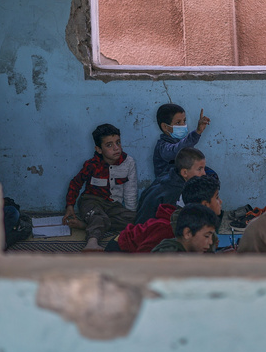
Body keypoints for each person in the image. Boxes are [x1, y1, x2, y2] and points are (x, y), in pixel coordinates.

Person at [63, 123, 138, 252]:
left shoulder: (128, 163)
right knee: (98, 216)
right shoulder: (91, 165)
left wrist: (131, 212)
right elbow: (75, 183)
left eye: (118, 142)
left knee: (135, 220)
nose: (116, 148)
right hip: (91, 201)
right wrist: (70, 205)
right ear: (98, 149)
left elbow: (131, 191)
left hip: (114, 205)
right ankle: (92, 243)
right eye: (109, 145)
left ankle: (86, 225)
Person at [135, 147, 210, 225]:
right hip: (149, 231)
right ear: (184, 172)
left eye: (204, 168)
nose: (204, 173)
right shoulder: (177, 193)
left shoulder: (168, 176)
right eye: (199, 169)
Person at [153, 103, 210, 181]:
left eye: (184, 121)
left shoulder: (181, 142)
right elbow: (178, 150)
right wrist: (197, 132)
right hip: (169, 188)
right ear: (165, 127)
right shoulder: (162, 147)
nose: (183, 125)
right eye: (178, 122)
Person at [151, 204, 218, 253]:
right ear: (187, 233)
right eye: (206, 236)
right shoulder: (170, 258)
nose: (210, 242)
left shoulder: (187, 250)